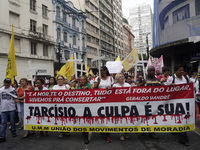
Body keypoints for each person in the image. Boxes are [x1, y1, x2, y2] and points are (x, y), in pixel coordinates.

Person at [166, 65, 190, 146]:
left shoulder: (186, 78)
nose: (181, 72)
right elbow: (164, 90)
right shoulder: (171, 79)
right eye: (180, 70)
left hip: (184, 102)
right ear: (176, 71)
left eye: (182, 70)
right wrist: (170, 87)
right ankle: (184, 139)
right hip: (174, 102)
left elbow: (190, 87)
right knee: (178, 117)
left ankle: (180, 134)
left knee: (181, 118)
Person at [94, 66, 114, 143]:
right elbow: (94, 88)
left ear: (105, 71)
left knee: (107, 116)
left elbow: (114, 89)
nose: (101, 72)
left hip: (108, 101)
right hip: (99, 101)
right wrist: (98, 81)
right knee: (100, 116)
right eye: (100, 70)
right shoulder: (97, 78)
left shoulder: (111, 78)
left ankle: (107, 134)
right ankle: (102, 128)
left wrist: (110, 88)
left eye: (102, 70)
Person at [144, 66, 161, 139]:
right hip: (145, 102)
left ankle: (152, 132)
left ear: (155, 71)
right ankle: (143, 130)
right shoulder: (143, 80)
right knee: (145, 117)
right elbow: (136, 87)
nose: (151, 72)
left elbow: (164, 89)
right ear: (147, 71)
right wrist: (141, 84)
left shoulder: (157, 80)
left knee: (153, 117)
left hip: (154, 102)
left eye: (152, 70)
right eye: (149, 70)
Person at [113, 73, 131, 141]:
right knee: (120, 119)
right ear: (117, 79)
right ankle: (121, 134)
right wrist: (113, 89)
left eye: (122, 76)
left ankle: (126, 132)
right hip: (119, 105)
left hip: (127, 105)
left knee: (127, 119)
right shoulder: (115, 85)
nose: (122, 78)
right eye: (120, 77)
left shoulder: (128, 85)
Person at [0, 78, 17, 143]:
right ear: (4, 82)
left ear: (10, 83)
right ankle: (2, 136)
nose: (7, 84)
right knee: (3, 123)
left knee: (12, 121)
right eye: (6, 82)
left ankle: (13, 132)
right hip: (3, 109)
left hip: (11, 108)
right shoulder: (0, 90)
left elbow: (16, 97)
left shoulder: (13, 90)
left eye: (8, 83)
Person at [77, 76, 91, 144]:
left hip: (87, 106)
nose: (82, 81)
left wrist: (88, 89)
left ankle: (86, 136)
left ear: (86, 81)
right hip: (80, 106)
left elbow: (93, 92)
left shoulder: (89, 86)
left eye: (83, 79)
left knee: (86, 120)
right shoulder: (78, 88)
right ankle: (83, 131)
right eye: (80, 80)